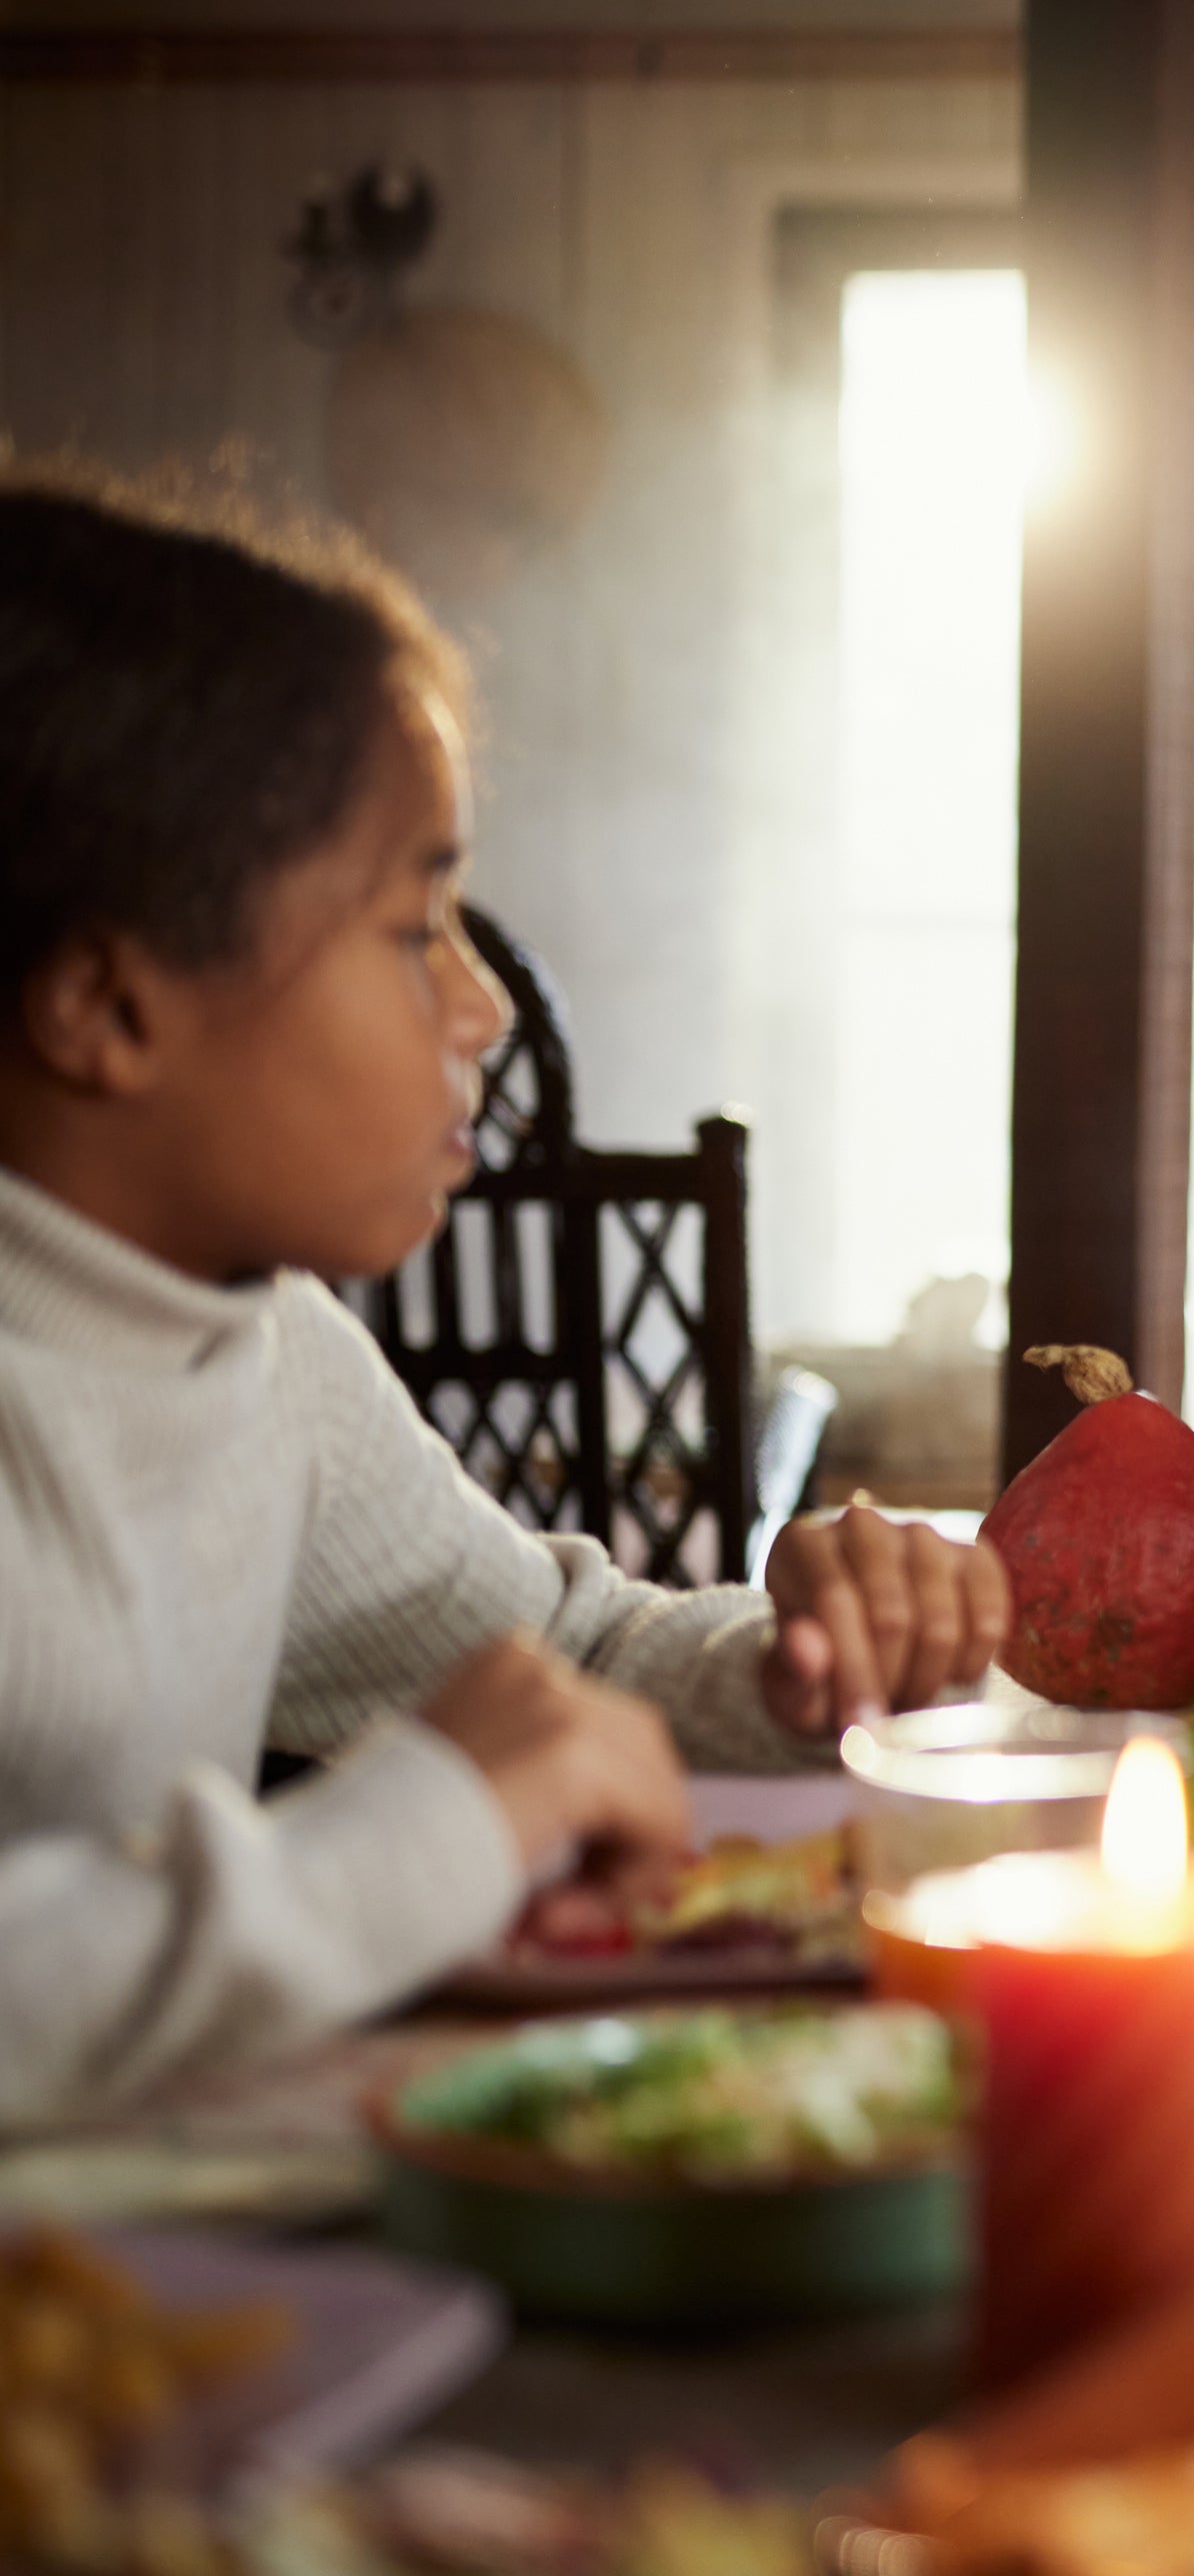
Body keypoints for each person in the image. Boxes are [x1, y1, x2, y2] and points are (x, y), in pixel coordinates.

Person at [0, 472, 1005, 2127]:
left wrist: (804, 1662)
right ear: (110, 1005)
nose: (476, 1009)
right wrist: (428, 1822)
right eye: (412, 927)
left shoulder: (260, 1350)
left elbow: (559, 1654)